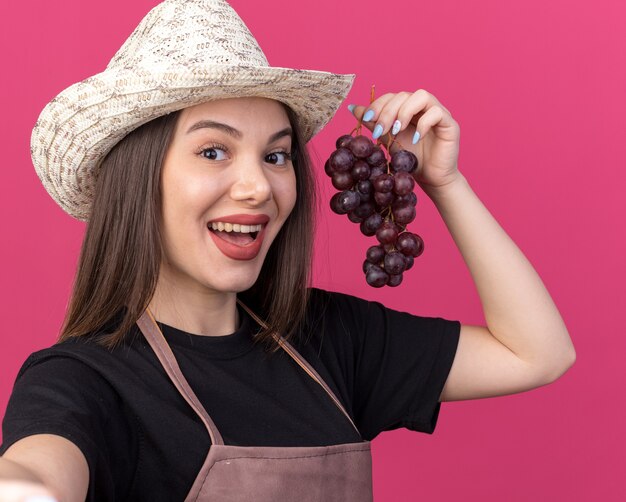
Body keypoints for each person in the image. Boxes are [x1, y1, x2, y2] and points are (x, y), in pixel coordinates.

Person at [0, 0, 576, 500]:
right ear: (138, 179)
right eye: (213, 152)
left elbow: (536, 353)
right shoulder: (82, 381)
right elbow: (35, 473)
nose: (258, 187)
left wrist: (445, 184)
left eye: (275, 156)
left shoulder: (329, 339)